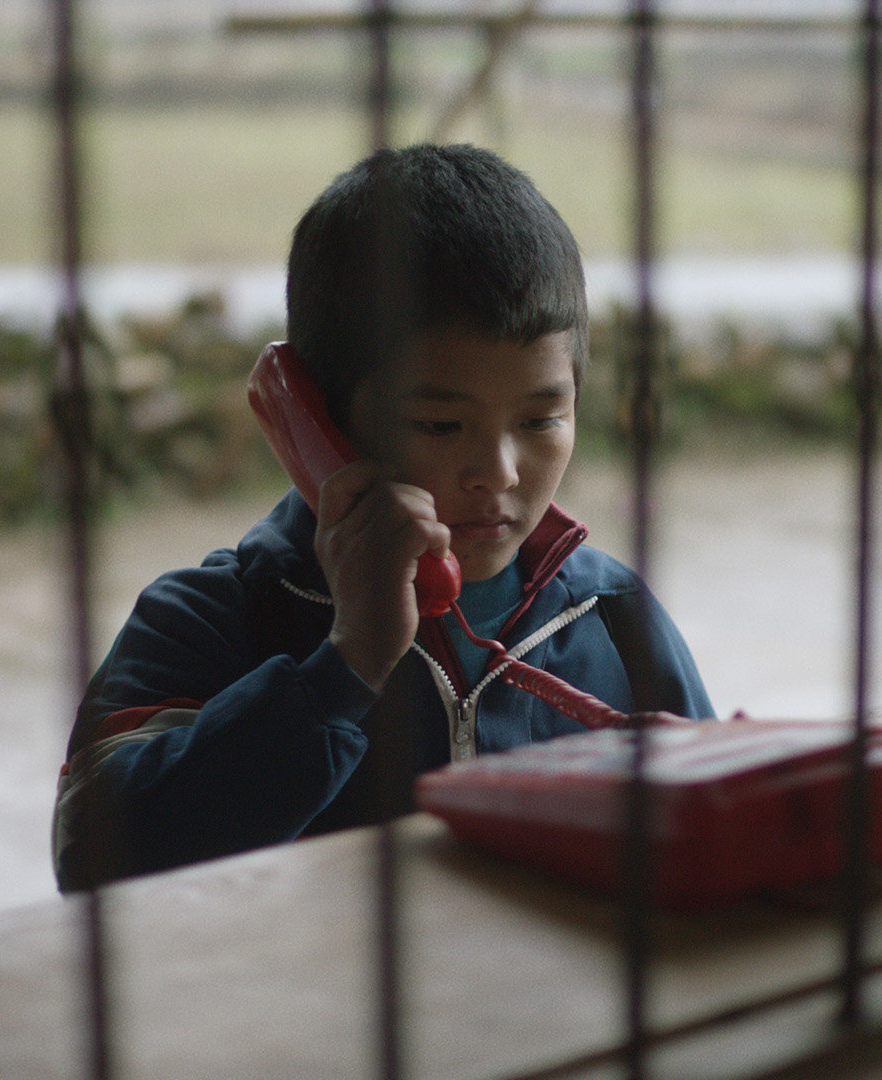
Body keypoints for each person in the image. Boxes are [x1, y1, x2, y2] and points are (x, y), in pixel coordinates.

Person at [53, 144, 715, 892]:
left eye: (540, 420)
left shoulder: (612, 617)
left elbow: (721, 822)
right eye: (439, 426)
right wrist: (343, 668)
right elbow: (89, 853)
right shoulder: (214, 620)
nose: (497, 472)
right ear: (318, 420)